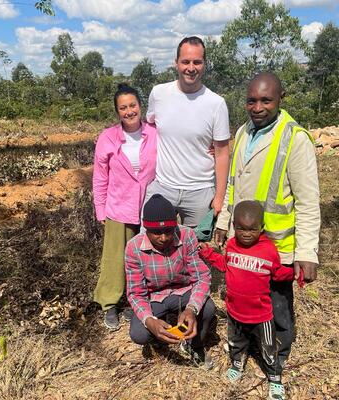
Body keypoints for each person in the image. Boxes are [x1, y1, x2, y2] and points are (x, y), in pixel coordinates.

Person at [215, 72, 320, 372]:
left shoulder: (295, 139)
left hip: (277, 246)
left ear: (280, 99)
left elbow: (308, 201)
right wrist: (224, 221)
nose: (257, 107)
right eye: (251, 100)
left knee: (277, 304)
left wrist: (307, 252)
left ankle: (278, 353)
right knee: (248, 298)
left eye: (266, 100)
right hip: (243, 242)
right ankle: (249, 343)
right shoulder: (242, 132)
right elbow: (233, 184)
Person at [200, 200, 303, 400]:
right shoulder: (232, 245)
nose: (246, 234)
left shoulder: (268, 249)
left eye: (252, 229)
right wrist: (208, 253)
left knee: (268, 348)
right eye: (241, 228)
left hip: (261, 315)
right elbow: (224, 264)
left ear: (262, 228)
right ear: (234, 226)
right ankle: (237, 364)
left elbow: (277, 273)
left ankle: (274, 377)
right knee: (236, 342)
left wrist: (296, 274)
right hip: (235, 311)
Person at [145, 36, 230, 227]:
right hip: (163, 186)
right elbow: (148, 127)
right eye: (185, 62)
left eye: (197, 62)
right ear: (176, 63)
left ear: (205, 64)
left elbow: (222, 153)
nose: (191, 68)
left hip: (201, 191)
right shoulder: (158, 94)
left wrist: (219, 197)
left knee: (198, 245)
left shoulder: (216, 103)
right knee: (148, 242)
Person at [93, 83, 158, 331]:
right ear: (117, 111)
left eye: (133, 105)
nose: (129, 111)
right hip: (118, 207)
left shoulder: (155, 133)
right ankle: (110, 303)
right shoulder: (107, 138)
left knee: (144, 257)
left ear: (140, 106)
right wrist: (100, 209)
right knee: (114, 258)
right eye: (123, 108)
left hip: (148, 207)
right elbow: (100, 177)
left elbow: (178, 147)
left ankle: (136, 301)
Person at [125, 194, 216, 368]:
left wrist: (191, 308)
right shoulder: (133, 248)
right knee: (139, 334)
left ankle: (195, 344)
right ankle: (159, 335)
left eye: (168, 231)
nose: (164, 238)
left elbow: (202, 277)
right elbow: (136, 293)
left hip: (183, 291)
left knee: (208, 308)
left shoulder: (186, 235)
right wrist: (149, 320)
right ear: (146, 229)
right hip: (154, 297)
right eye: (156, 233)